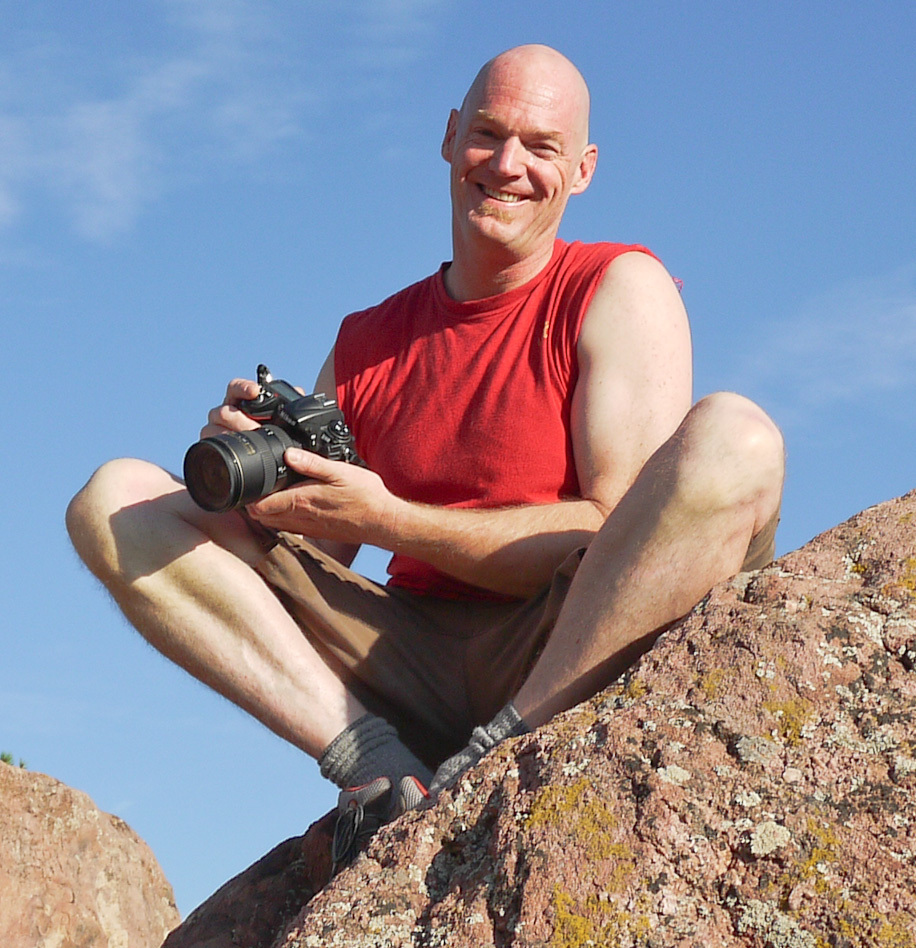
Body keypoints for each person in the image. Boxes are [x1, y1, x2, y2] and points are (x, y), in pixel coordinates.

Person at [66, 45, 784, 871]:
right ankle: (374, 770)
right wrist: (257, 483)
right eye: (488, 133)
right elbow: (318, 554)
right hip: (407, 662)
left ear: (582, 170)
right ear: (450, 138)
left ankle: (497, 760)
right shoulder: (367, 339)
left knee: (738, 438)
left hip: (563, 639)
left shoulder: (615, 285)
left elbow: (613, 534)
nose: (507, 164)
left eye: (541, 147)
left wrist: (392, 520)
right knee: (113, 499)